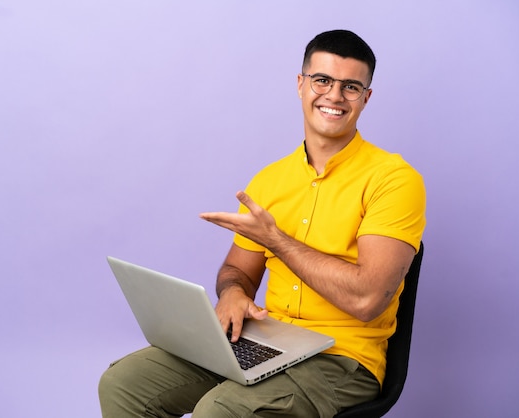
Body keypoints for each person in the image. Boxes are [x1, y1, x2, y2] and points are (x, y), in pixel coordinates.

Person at [98, 29, 426, 417]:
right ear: (301, 85)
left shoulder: (394, 179)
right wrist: (233, 293)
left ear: (366, 98)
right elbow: (238, 268)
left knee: (220, 411)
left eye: (350, 87)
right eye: (322, 80)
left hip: (342, 359)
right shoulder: (270, 180)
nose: (334, 96)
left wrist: (278, 240)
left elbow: (368, 299)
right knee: (124, 384)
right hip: (266, 340)